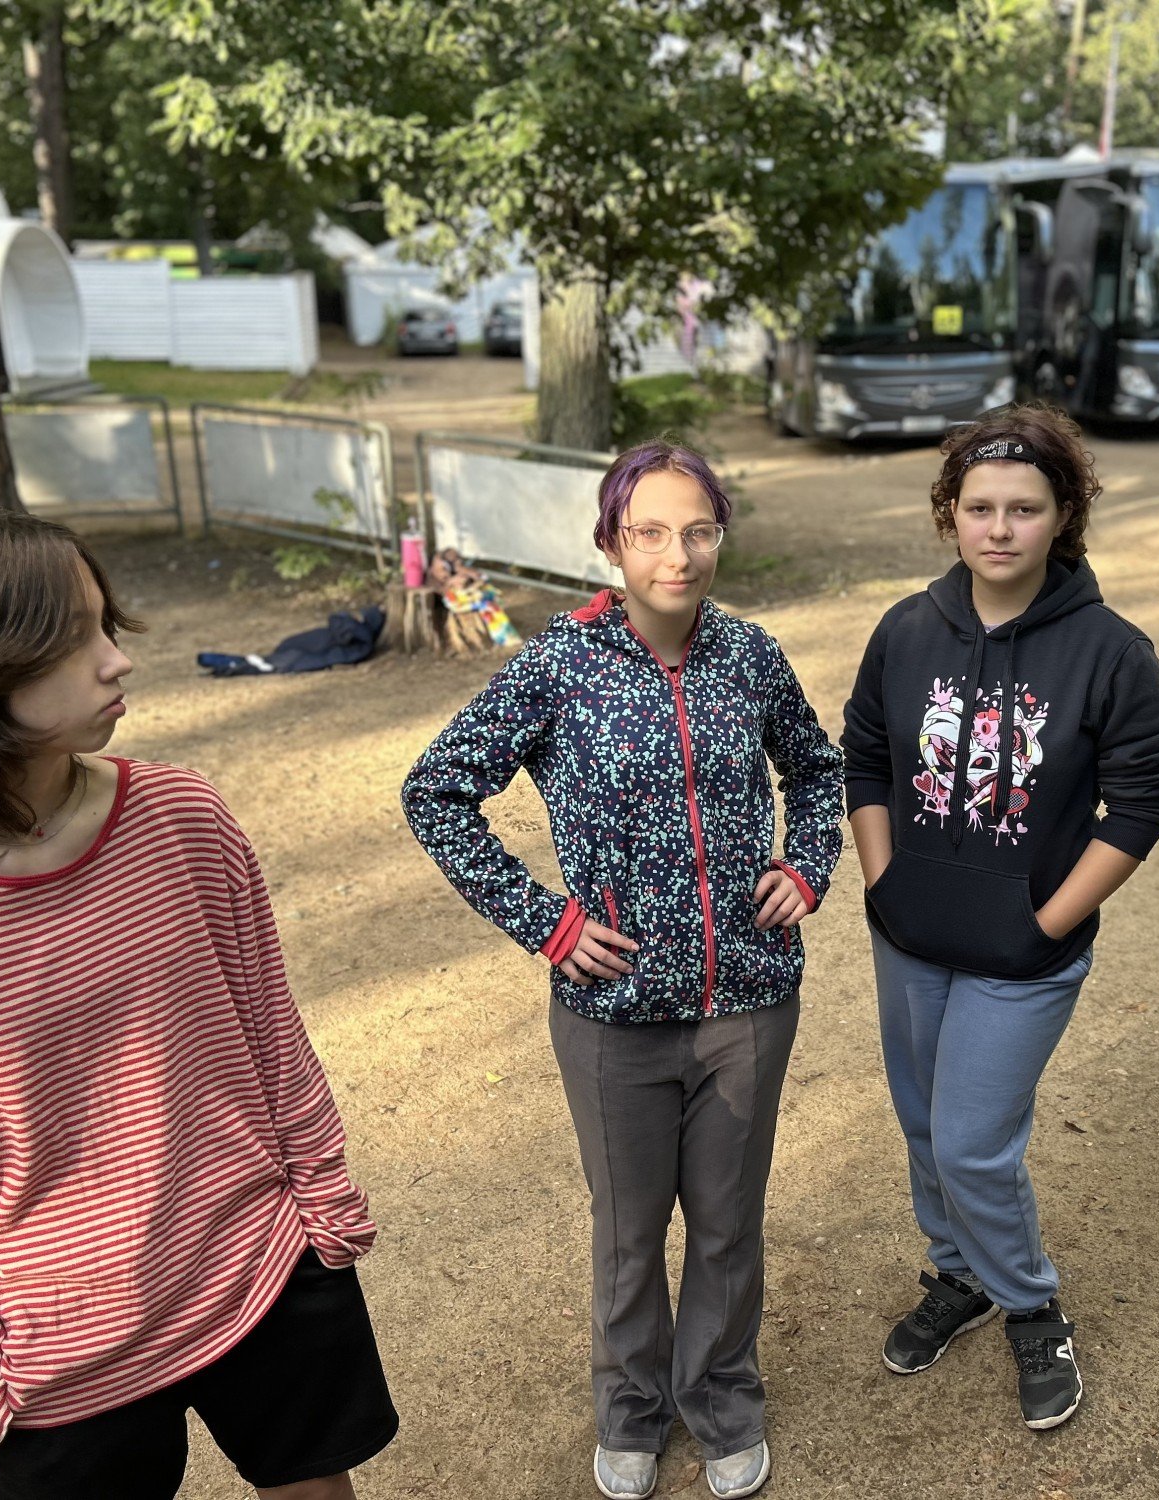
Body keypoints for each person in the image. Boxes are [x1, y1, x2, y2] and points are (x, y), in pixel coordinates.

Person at [0, 511, 394, 1500]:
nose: (118, 660)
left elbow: (268, 1030)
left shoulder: (184, 817)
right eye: (73, 639)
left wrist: (322, 1210)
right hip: (54, 1359)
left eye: (106, 625)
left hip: (259, 1269)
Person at [401, 440, 843, 1500]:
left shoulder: (750, 656)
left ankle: (722, 1399)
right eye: (648, 532)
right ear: (610, 544)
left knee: (727, 1227)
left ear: (719, 538)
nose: (675, 556)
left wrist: (806, 865)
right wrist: (545, 924)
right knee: (629, 1235)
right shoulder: (558, 665)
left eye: (697, 531)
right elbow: (435, 791)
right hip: (611, 1015)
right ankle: (631, 1410)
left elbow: (817, 769)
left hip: (747, 1001)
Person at [840, 405, 1159, 1429]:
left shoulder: (1112, 653)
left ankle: (1028, 1301)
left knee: (972, 1143)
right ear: (948, 512)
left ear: (1063, 515)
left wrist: (1046, 922)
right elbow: (865, 757)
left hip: (1021, 955)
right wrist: (884, 882)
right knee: (922, 1125)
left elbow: (1140, 807)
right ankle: (959, 1274)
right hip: (910, 936)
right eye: (978, 506)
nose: (998, 528)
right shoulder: (905, 630)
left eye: (1024, 509)